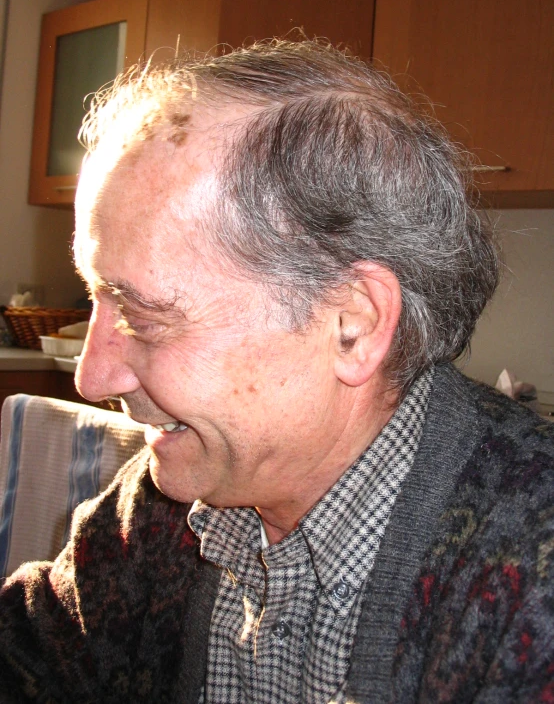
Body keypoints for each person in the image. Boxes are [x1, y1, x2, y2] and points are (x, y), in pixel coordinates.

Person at [0, 39, 553, 703]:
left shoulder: (532, 579)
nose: (93, 377)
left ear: (351, 324)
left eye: (142, 315)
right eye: (97, 297)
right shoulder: (158, 509)